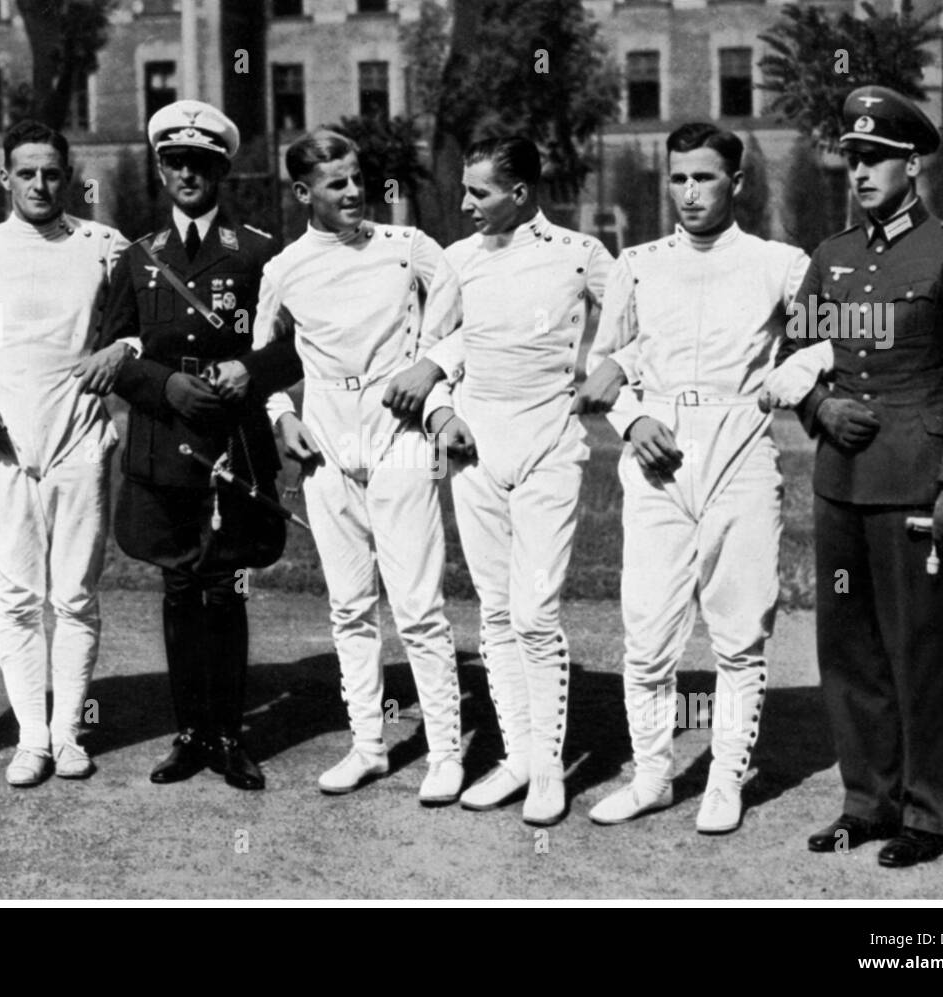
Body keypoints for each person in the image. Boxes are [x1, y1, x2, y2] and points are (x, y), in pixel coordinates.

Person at [782, 87, 943, 867]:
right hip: (841, 482)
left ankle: (929, 811)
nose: (860, 171)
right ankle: (866, 800)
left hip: (917, 487)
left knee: (918, 648)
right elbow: (790, 358)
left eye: (876, 157)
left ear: (912, 165)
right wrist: (818, 406)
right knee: (847, 651)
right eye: (852, 157)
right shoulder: (832, 256)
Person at [575, 123, 808, 834]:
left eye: (704, 178)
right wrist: (632, 419)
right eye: (678, 178)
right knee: (646, 632)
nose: (689, 192)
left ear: (736, 184)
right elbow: (603, 362)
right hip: (657, 458)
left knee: (739, 631)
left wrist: (790, 379)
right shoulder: (638, 263)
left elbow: (825, 344)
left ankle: (726, 777)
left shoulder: (780, 263)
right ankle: (650, 775)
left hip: (739, 450)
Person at [383, 136, 617, 826]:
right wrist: (441, 412)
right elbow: (431, 354)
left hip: (549, 444)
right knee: (492, 608)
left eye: (478, 192)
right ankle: (516, 757)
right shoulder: (456, 261)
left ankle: (549, 769)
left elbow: (637, 325)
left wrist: (616, 371)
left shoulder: (581, 254)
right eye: (464, 190)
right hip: (476, 449)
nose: (464, 204)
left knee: (535, 612)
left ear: (520, 192)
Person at [227, 128, 463, 803]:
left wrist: (432, 367)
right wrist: (281, 417)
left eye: (357, 177)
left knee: (418, 606)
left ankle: (445, 751)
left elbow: (459, 326)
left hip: (402, 439)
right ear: (304, 193)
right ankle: (368, 745)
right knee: (351, 606)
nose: (355, 191)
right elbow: (263, 361)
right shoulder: (285, 268)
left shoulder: (407, 247)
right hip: (328, 446)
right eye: (337, 183)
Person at [92, 100, 300, 791]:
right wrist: (160, 387)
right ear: (159, 168)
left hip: (231, 444)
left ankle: (230, 735)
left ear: (222, 169)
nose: (187, 173)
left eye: (201, 162)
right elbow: (111, 353)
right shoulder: (138, 256)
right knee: (179, 588)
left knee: (227, 587)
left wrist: (251, 371)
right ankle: (188, 734)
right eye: (174, 161)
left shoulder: (261, 252)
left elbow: (293, 348)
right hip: (162, 442)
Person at [0, 120, 129, 787]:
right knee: (18, 599)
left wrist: (124, 351)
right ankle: (31, 738)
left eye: (52, 172)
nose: (41, 184)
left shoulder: (104, 245)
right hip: (6, 450)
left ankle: (69, 731)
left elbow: (141, 327)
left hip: (80, 442)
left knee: (75, 595)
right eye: (27, 173)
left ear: (68, 175)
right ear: (4, 178)